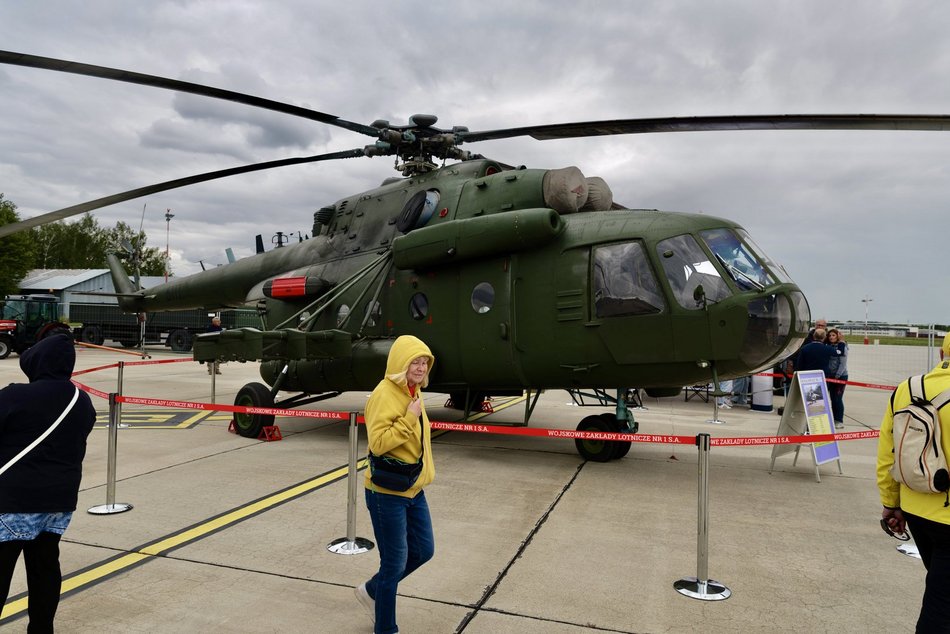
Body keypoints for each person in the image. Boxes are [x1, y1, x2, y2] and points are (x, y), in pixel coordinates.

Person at [0, 334, 96, 632]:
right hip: (59, 501)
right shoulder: (82, 401)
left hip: (13, 500)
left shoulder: (15, 395)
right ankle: (42, 629)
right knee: (44, 568)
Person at [356, 335, 436, 634]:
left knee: (424, 551)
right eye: (414, 361)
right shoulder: (384, 394)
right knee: (394, 562)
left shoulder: (413, 392)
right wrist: (408, 419)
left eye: (424, 361)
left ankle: (373, 590)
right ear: (401, 364)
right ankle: (385, 627)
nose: (420, 367)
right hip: (386, 493)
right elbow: (378, 444)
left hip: (413, 488)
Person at [877, 334, 950, 631]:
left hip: (915, 511)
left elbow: (888, 453)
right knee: (940, 611)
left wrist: (891, 504)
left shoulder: (906, 389)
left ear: (943, 352)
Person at [826, 328, 849, 429]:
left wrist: (837, 376)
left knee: (837, 399)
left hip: (840, 376)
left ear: (838, 336)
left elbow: (843, 363)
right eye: (830, 335)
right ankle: (831, 419)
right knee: (831, 398)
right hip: (829, 376)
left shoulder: (842, 347)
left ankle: (839, 420)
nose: (831, 337)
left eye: (833, 335)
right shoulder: (827, 346)